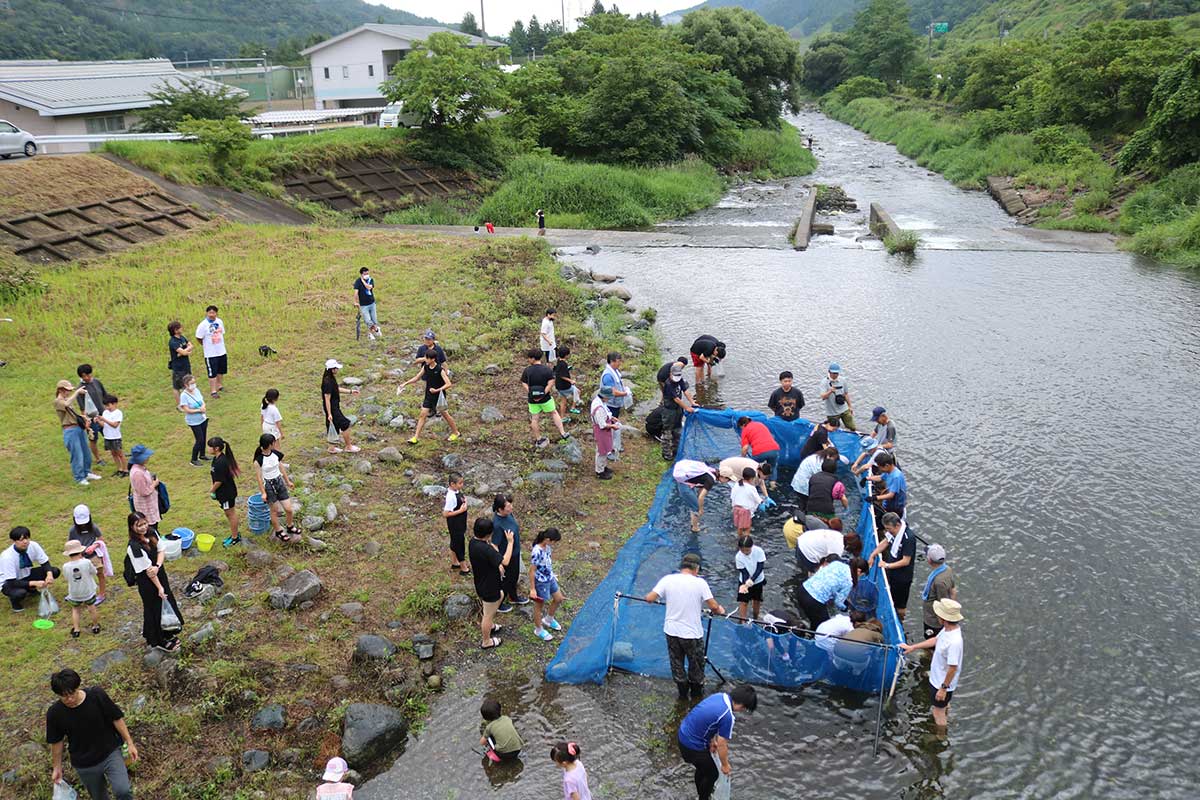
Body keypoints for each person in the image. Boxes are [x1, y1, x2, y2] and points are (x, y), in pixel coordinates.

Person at [46, 668, 137, 800]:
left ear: (78, 687)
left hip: (110, 752)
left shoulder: (96, 695)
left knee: (122, 790)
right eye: (64, 696)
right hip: (84, 763)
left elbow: (116, 718)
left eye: (72, 693)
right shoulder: (55, 713)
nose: (70, 699)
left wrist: (130, 743)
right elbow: (56, 742)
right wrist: (57, 767)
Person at [645, 553, 724, 700]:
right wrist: (720, 610)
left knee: (677, 664)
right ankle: (695, 697)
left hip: (671, 632)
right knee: (696, 665)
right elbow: (713, 606)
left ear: (682, 566)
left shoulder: (668, 579)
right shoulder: (700, 583)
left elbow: (649, 598)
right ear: (696, 568)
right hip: (692, 634)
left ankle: (682, 695)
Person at [676, 685, 757, 800]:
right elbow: (722, 744)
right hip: (692, 746)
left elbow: (707, 720)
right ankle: (703, 798)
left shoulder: (720, 696)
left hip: (682, 734)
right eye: (745, 708)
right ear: (743, 705)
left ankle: (701, 793)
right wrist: (725, 765)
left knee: (703, 768)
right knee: (713, 774)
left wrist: (711, 740)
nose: (742, 710)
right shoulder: (728, 716)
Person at [900, 599, 964, 729]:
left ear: (944, 618)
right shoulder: (948, 630)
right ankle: (946, 709)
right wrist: (913, 647)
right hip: (939, 680)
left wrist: (943, 689)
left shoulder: (954, 642)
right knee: (943, 705)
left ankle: (940, 738)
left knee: (937, 712)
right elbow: (935, 640)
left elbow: (953, 668)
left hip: (941, 683)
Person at [126, 511, 182, 652]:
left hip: (159, 573)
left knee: (167, 602)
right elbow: (148, 571)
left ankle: (168, 632)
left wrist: (157, 566)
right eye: (139, 525)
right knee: (154, 608)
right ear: (132, 527)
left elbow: (161, 550)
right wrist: (159, 588)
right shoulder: (134, 547)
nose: (144, 527)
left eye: (144, 523)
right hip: (148, 582)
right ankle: (158, 640)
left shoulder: (152, 532)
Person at [398, 348, 461, 444]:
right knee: (423, 414)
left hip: (439, 396)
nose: (425, 359)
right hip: (428, 395)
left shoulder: (440, 370)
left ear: (433, 359)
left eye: (427, 358)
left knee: (445, 415)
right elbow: (416, 378)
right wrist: (405, 383)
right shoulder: (425, 367)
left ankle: (456, 432)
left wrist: (437, 390)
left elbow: (448, 384)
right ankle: (415, 437)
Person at [469, 518, 512, 650]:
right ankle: (486, 641)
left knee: (500, 595)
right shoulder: (487, 549)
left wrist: (496, 564)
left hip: (482, 582)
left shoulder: (473, 543)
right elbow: (505, 561)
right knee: (487, 615)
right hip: (489, 587)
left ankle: (491, 625)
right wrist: (510, 542)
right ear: (489, 534)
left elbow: (492, 559)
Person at [868, 511, 916, 620]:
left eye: (889, 528)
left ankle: (900, 620)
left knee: (900, 605)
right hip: (892, 572)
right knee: (891, 595)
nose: (887, 531)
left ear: (898, 525)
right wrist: (873, 554)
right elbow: (885, 542)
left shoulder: (908, 538)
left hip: (902, 577)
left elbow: (906, 561)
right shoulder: (893, 533)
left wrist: (887, 565)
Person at [254, 433, 300, 544]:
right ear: (269, 444)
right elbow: (259, 478)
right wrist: (263, 493)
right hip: (269, 486)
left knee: (288, 509)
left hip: (279, 482)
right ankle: (278, 531)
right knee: (274, 511)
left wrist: (287, 481)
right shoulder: (258, 460)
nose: (275, 443)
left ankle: (290, 526)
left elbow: (280, 467)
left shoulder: (275, 454)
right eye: (274, 442)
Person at [1, 527, 59, 611]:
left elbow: (45, 562)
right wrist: (35, 583)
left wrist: (49, 575)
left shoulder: (33, 545)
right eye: (21, 540)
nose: (25, 542)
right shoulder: (7, 557)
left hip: (26, 574)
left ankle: (31, 590)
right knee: (19, 593)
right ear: (14, 541)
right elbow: (12, 582)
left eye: (27, 538)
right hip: (9, 583)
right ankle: (15, 603)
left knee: (54, 571)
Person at [54, 379, 99, 486]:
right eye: (67, 390)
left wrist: (83, 418)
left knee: (86, 452)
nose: (68, 392)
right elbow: (66, 404)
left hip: (78, 428)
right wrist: (77, 392)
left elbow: (71, 412)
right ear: (61, 390)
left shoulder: (66, 400)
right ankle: (79, 477)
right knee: (77, 454)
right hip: (70, 431)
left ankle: (87, 472)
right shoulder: (58, 401)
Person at [521, 349, 567, 448]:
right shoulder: (546, 369)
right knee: (554, 413)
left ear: (533, 358)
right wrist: (544, 393)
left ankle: (538, 439)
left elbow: (523, 382)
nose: (528, 360)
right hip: (546, 398)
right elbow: (551, 382)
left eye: (529, 358)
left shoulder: (527, 370)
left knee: (535, 418)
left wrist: (530, 392)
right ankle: (563, 433)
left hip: (532, 400)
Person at [797, 553, 852, 629]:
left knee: (814, 620)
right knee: (824, 626)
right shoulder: (849, 582)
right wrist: (845, 609)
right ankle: (812, 637)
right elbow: (838, 603)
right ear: (859, 571)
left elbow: (830, 585)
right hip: (814, 600)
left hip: (802, 590)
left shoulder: (836, 564)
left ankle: (807, 631)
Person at [492, 495, 528, 611]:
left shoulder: (509, 514)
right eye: (508, 506)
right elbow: (495, 544)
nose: (511, 507)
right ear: (500, 509)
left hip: (515, 552)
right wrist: (499, 563)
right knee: (505, 580)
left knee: (514, 576)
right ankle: (499, 604)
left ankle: (513, 597)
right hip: (506, 556)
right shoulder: (497, 525)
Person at [67, 505, 108, 606]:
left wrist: (94, 546)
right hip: (79, 556)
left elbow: (101, 539)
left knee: (99, 573)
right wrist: (77, 554)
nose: (83, 525)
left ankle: (102, 594)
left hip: (93, 555)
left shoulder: (93, 527)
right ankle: (78, 594)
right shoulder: (72, 530)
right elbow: (70, 544)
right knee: (79, 575)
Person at [531, 528, 566, 642]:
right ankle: (538, 629)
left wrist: (551, 573)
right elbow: (532, 571)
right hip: (540, 582)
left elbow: (547, 563)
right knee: (539, 606)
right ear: (547, 539)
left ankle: (548, 619)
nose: (554, 544)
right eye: (554, 541)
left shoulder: (548, 548)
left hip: (549, 578)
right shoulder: (537, 551)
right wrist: (532, 589)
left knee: (559, 598)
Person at [62, 541, 101, 638]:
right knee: (91, 608)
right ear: (80, 551)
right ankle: (95, 626)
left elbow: (66, 578)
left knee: (75, 610)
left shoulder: (66, 566)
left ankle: (76, 629)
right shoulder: (86, 562)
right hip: (88, 590)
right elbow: (94, 571)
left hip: (74, 593)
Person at [208, 437, 241, 548]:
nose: (208, 449)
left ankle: (235, 538)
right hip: (222, 493)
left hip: (226, 493)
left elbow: (219, 480)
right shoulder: (216, 459)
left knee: (230, 514)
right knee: (229, 513)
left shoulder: (221, 462)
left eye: (210, 447)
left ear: (216, 448)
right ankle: (234, 535)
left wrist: (212, 490)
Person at [322, 359, 360, 454]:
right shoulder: (327, 382)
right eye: (336, 368)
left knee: (333, 426)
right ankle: (348, 446)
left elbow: (336, 389)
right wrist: (329, 413)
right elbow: (327, 398)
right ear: (332, 369)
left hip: (334, 407)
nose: (337, 370)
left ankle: (332, 448)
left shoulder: (330, 379)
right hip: (332, 408)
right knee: (345, 424)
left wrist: (350, 391)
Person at [921, 543, 958, 639]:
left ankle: (929, 653)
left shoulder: (939, 582)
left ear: (929, 560)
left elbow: (943, 604)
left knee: (931, 642)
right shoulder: (947, 569)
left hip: (933, 621)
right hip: (934, 618)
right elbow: (953, 590)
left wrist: (943, 623)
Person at [660, 362, 696, 460]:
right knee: (667, 432)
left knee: (678, 430)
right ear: (670, 374)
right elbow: (676, 399)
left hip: (677, 410)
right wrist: (687, 408)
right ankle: (666, 453)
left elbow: (685, 391)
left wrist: (692, 402)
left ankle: (676, 451)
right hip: (669, 411)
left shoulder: (680, 380)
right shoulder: (668, 384)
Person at [76, 364, 109, 465]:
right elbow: (82, 409)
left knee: (110, 435)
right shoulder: (80, 389)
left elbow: (105, 397)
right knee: (93, 439)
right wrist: (87, 421)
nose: (86, 378)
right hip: (91, 418)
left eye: (88, 375)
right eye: (83, 376)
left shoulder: (97, 382)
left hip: (103, 415)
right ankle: (98, 459)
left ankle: (117, 451)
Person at [672, 460, 717, 533]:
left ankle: (693, 523)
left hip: (686, 480)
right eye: (728, 479)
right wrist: (701, 509)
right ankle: (695, 528)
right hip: (685, 484)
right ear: (723, 477)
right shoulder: (711, 480)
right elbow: (701, 497)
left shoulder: (710, 471)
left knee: (694, 506)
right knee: (696, 508)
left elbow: (700, 491)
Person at [600, 352, 629, 459]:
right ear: (612, 362)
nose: (620, 363)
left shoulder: (615, 371)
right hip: (610, 404)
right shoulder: (608, 375)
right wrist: (625, 393)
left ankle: (615, 445)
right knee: (609, 426)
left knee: (615, 423)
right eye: (618, 361)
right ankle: (609, 449)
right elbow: (613, 392)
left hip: (616, 404)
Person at [127, 445, 161, 533]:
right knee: (149, 529)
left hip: (149, 504)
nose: (148, 457)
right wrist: (154, 484)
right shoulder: (137, 473)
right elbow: (144, 492)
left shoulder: (139, 468)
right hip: (145, 506)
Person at [195, 305, 227, 398]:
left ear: (216, 313)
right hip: (210, 353)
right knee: (212, 372)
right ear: (207, 313)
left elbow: (222, 333)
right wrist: (205, 345)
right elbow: (199, 337)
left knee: (221, 370)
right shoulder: (203, 325)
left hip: (221, 350)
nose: (211, 314)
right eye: (210, 313)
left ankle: (219, 385)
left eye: (213, 312)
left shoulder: (219, 321)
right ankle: (213, 391)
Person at [177, 373, 209, 466]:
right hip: (194, 421)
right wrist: (199, 410)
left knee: (204, 437)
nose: (193, 385)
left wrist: (203, 407)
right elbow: (186, 409)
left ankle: (202, 455)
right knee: (199, 439)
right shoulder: (184, 395)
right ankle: (193, 459)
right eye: (191, 383)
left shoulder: (196, 390)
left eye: (194, 382)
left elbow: (202, 401)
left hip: (202, 418)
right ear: (186, 385)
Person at [736, 416, 780, 482]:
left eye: (740, 428)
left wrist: (742, 460)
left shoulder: (745, 430)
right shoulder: (760, 424)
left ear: (743, 425)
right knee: (773, 467)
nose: (741, 429)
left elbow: (745, 448)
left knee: (752, 467)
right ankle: (773, 484)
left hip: (760, 452)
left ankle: (753, 483)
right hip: (774, 449)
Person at [590, 386, 620, 480]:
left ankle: (604, 466)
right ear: (604, 396)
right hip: (601, 431)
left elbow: (606, 413)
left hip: (605, 431)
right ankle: (599, 471)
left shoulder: (600, 402)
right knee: (601, 451)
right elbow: (602, 424)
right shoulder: (598, 408)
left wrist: (611, 418)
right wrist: (612, 426)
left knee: (606, 448)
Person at [443, 472, 471, 575]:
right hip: (455, 525)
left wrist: (465, 502)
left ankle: (455, 563)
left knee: (454, 543)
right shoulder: (450, 497)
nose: (461, 485)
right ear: (452, 484)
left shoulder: (456, 491)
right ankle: (464, 568)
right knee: (459, 544)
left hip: (460, 523)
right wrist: (461, 511)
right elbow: (446, 513)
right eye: (459, 483)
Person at [867, 453, 908, 521]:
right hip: (888, 503)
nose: (879, 469)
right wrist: (867, 478)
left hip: (895, 507)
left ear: (887, 465)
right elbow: (880, 478)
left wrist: (875, 498)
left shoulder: (896, 477)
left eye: (880, 467)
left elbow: (891, 495)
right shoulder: (888, 472)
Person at [734, 535, 765, 621]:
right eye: (742, 550)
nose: (745, 552)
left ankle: (755, 618)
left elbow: (760, 568)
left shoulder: (759, 551)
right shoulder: (738, 557)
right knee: (744, 602)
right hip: (744, 580)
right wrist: (745, 584)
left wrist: (752, 580)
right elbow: (744, 572)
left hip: (758, 580)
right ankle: (742, 620)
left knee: (757, 600)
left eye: (747, 550)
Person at [819, 362, 855, 430]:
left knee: (852, 427)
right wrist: (830, 391)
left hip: (844, 409)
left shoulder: (843, 380)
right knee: (832, 430)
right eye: (834, 373)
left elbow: (846, 394)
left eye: (837, 373)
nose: (835, 375)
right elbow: (823, 397)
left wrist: (850, 406)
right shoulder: (824, 382)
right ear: (829, 372)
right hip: (832, 412)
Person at [99, 394, 127, 477]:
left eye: (108, 405)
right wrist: (98, 421)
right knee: (113, 454)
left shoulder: (118, 413)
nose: (107, 407)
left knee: (120, 454)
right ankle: (119, 469)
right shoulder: (105, 412)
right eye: (106, 406)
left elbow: (115, 425)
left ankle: (125, 470)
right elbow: (104, 425)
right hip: (107, 436)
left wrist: (104, 419)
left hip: (115, 437)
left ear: (114, 403)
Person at [166, 320, 194, 404]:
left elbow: (191, 345)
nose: (182, 328)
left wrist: (184, 351)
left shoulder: (182, 337)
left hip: (186, 365)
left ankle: (188, 401)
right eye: (179, 327)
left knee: (188, 382)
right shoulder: (173, 341)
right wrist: (184, 352)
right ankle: (180, 404)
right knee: (177, 386)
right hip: (178, 368)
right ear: (175, 330)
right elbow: (183, 352)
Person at [730, 468, 762, 537]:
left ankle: (739, 538)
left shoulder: (736, 484)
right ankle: (744, 541)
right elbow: (758, 499)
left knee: (739, 526)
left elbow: (732, 496)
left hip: (736, 509)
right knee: (747, 528)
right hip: (745, 511)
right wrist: (762, 502)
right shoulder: (751, 488)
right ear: (751, 479)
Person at [554, 345, 582, 416]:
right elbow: (562, 375)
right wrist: (570, 380)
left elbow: (558, 372)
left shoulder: (559, 361)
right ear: (566, 355)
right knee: (577, 391)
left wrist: (567, 368)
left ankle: (562, 417)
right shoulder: (563, 364)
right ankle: (573, 407)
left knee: (563, 401)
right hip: (564, 386)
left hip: (558, 385)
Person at [353, 266, 379, 340]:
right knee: (368, 321)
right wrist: (355, 302)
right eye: (365, 274)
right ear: (361, 274)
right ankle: (375, 331)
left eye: (368, 273)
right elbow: (356, 293)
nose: (367, 275)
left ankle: (372, 333)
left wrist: (363, 281)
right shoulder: (357, 282)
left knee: (374, 320)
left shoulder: (370, 280)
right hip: (363, 305)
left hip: (372, 303)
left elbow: (369, 287)